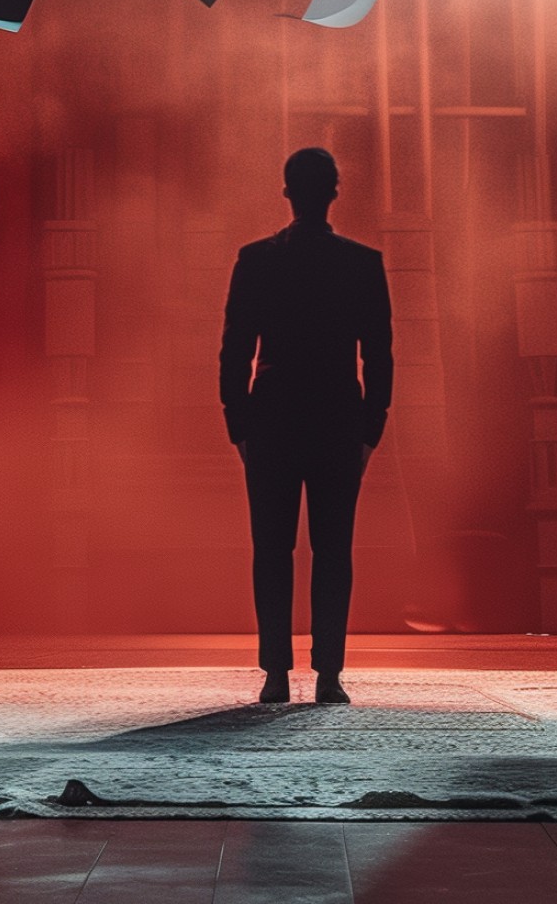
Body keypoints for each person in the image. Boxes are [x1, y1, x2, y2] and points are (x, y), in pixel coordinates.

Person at [218, 147, 393, 705]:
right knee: (333, 549)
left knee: (271, 548)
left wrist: (238, 424)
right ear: (334, 192)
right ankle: (329, 676)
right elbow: (380, 356)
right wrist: (371, 427)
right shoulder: (362, 263)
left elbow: (234, 352)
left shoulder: (256, 259)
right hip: (338, 417)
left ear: (287, 192)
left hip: (272, 416)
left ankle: (275, 674)